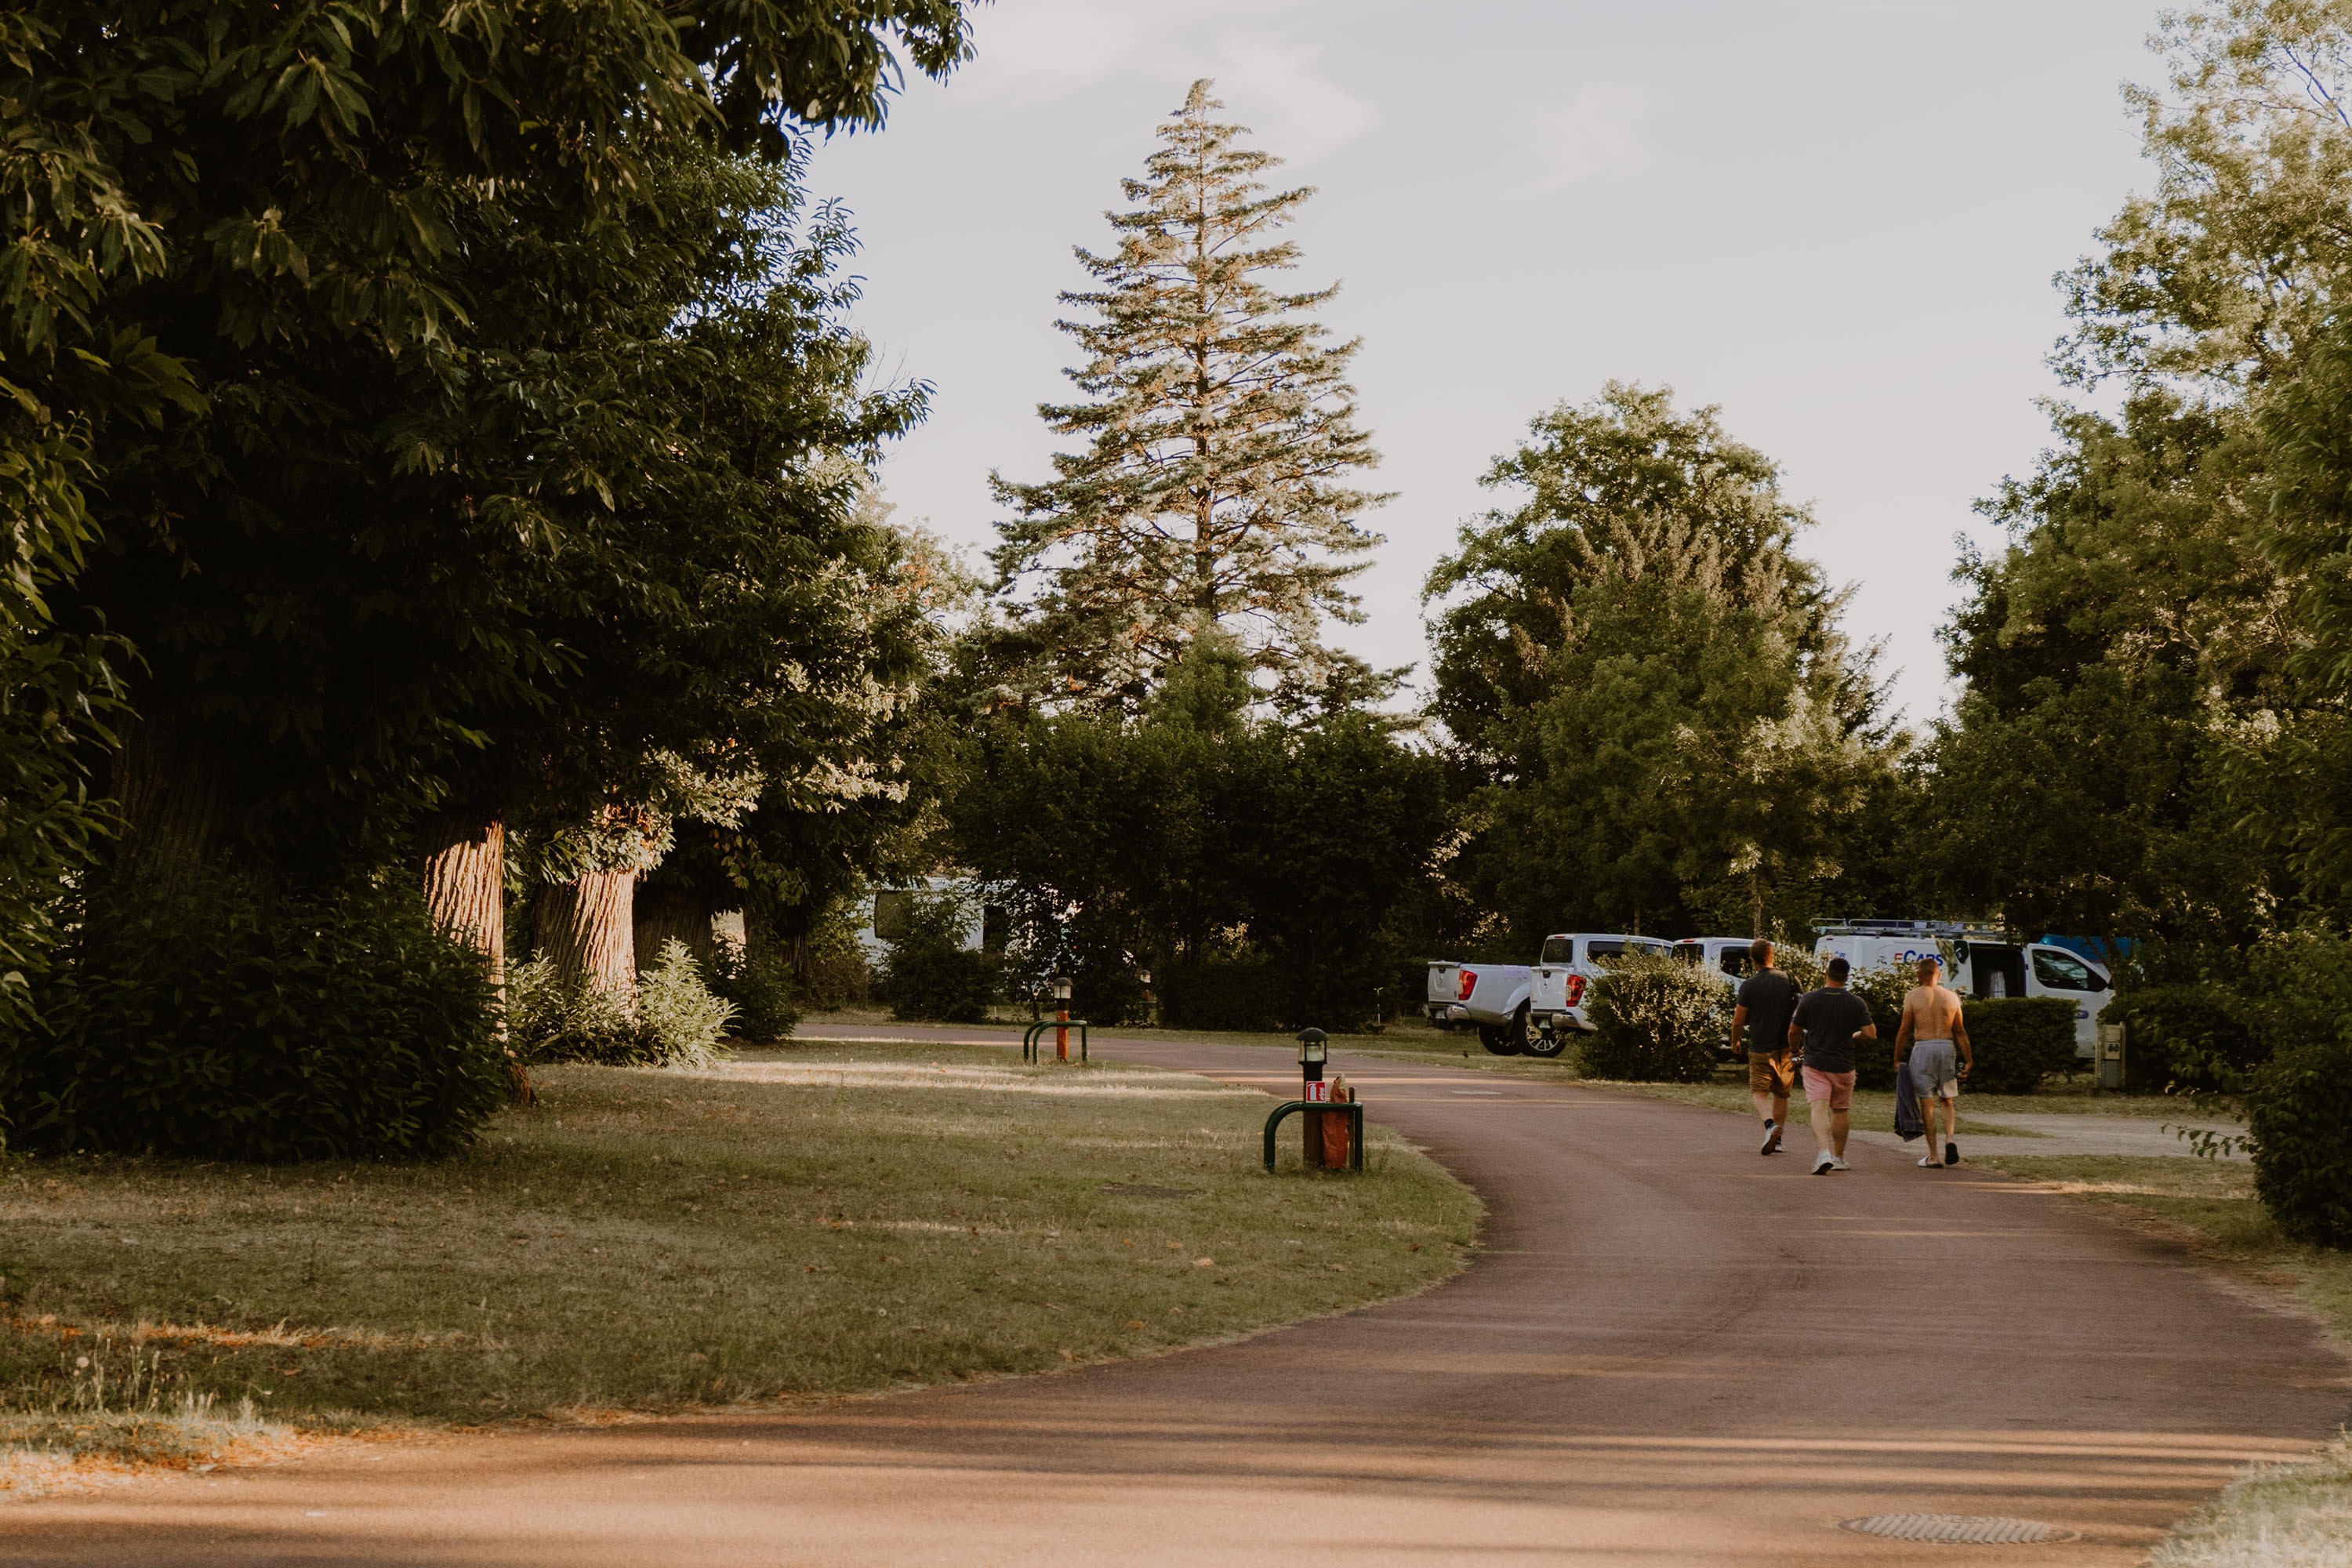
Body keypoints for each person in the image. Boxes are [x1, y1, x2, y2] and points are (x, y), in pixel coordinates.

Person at [1788, 955, 1877, 1174]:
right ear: (1846, 977)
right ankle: (1839, 1157)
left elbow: (1794, 1030)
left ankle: (1823, 1153)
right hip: (1844, 1064)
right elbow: (1870, 1034)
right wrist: (1855, 1036)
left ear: (1827, 973)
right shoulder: (1856, 1002)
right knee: (1841, 1110)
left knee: (1819, 1108)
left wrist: (1794, 1050)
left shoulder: (1809, 999)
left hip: (1815, 1063)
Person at [1894, 954, 1972, 1167]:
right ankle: (1950, 1139)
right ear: (1939, 974)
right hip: (1947, 1046)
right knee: (1947, 1099)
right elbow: (1960, 1031)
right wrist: (1969, 1059)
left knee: (1926, 1103)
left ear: (1919, 974)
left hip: (1924, 1047)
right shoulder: (1951, 997)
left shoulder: (1913, 996)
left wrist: (1897, 1058)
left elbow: (1904, 1030)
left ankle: (1934, 1156)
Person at [1730, 938, 1800, 1155]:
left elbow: (1738, 1020)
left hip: (1760, 1046)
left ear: (1754, 960)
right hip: (1786, 1046)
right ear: (1772, 956)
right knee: (1782, 1094)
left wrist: (1735, 1041)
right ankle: (1778, 1141)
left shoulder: (1749, 985)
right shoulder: (1790, 980)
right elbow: (1801, 1013)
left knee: (1759, 1092)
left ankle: (1770, 1126)